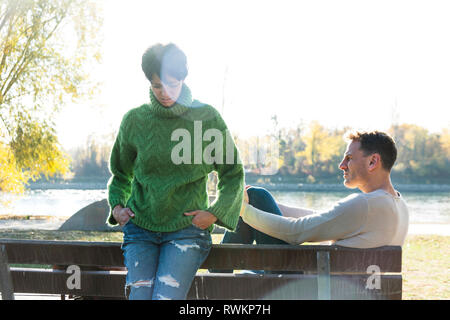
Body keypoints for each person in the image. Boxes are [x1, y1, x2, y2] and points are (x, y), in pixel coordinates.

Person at [107, 43, 244, 300]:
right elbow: (121, 174)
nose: (165, 93)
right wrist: (117, 207)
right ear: (149, 83)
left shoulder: (207, 118)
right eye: (157, 86)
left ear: (183, 78)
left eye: (172, 84)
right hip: (140, 230)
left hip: (186, 230)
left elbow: (233, 173)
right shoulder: (134, 120)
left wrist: (214, 213)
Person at [221, 130, 409, 250]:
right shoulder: (399, 206)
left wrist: (244, 210)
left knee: (256, 195)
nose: (341, 165)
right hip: (352, 290)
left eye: (349, 158)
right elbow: (322, 217)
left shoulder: (365, 205)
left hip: (310, 290)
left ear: (372, 161)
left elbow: (295, 232)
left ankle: (215, 283)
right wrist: (266, 206)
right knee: (258, 198)